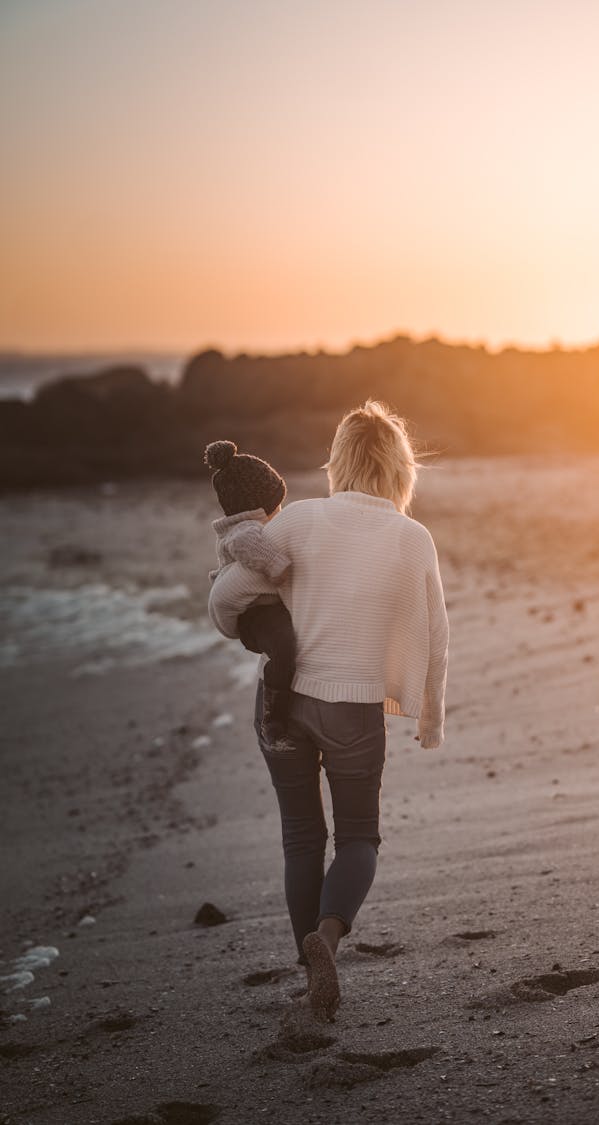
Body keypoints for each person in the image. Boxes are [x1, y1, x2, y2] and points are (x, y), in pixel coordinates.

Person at [208, 401, 449, 1019]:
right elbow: (436, 633)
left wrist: (252, 627)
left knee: (300, 840)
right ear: (401, 470)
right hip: (354, 711)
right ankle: (329, 944)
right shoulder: (411, 537)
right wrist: (429, 719)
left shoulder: (297, 522)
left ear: (336, 463)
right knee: (359, 838)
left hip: (283, 703)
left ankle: (306, 968)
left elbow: (226, 596)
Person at [204, 439, 296, 753]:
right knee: (285, 648)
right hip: (255, 615)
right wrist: (278, 566)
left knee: (290, 644)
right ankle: (274, 716)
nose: (280, 511)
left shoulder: (251, 524)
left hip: (266, 610)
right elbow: (250, 544)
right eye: (277, 505)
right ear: (258, 504)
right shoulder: (243, 530)